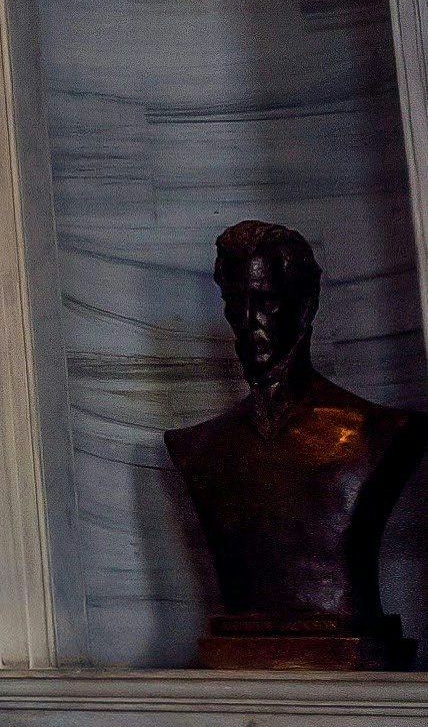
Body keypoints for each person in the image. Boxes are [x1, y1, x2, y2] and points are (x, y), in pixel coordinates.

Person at [164, 219, 426, 668]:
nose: (248, 322)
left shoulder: (377, 432)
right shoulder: (198, 448)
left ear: (304, 306)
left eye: (265, 300)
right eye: (235, 303)